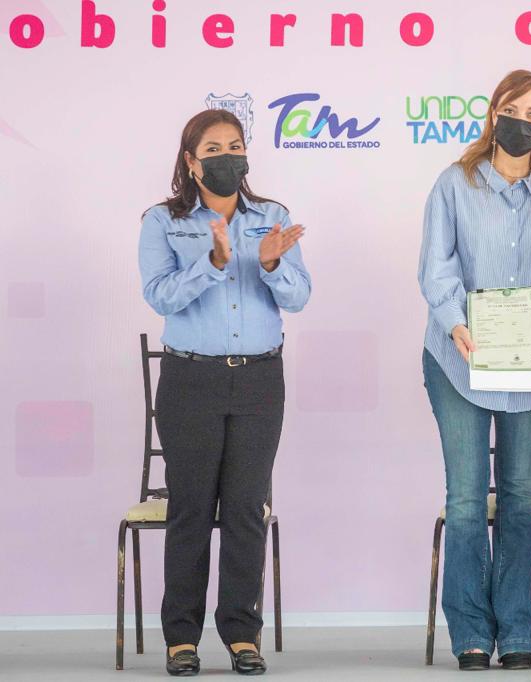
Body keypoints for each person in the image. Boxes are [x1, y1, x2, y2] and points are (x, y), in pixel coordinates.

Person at [138, 109, 310, 677]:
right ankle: (181, 638)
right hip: (190, 381)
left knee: (245, 509)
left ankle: (241, 633)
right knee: (190, 509)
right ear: (191, 161)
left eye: (235, 145)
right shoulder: (163, 221)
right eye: (213, 149)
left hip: (260, 380)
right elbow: (160, 296)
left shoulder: (273, 217)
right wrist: (213, 263)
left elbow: (298, 297)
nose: (227, 157)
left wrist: (272, 263)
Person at [417, 69, 531, 671]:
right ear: (493, 114)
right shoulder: (455, 182)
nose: (522, 122)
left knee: (519, 497)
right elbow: (436, 266)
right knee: (465, 499)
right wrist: (455, 322)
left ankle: (515, 627)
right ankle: (470, 632)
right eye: (513, 110)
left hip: (528, 365)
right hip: (457, 358)